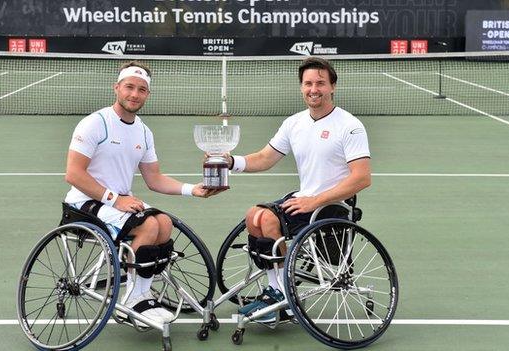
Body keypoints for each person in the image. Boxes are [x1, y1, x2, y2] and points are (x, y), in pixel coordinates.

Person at [64, 61, 220, 326]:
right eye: (129, 87)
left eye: (141, 90)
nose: (134, 94)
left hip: (119, 203)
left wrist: (193, 190)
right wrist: (116, 199)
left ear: (147, 94)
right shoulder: (95, 123)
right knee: (148, 226)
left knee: (164, 223)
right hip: (84, 203)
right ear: (117, 88)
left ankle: (143, 292)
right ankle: (133, 300)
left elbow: (154, 178)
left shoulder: (143, 132)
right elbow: (74, 174)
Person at [227, 57, 371, 322]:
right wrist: (231, 162)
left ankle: (283, 296)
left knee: (268, 219)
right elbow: (265, 158)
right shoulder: (294, 123)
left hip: (331, 206)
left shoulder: (350, 126)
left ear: (332, 87)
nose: (313, 89)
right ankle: (277, 290)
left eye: (320, 83)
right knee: (253, 216)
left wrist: (315, 201)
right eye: (308, 84)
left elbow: (361, 178)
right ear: (301, 87)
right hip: (304, 199)